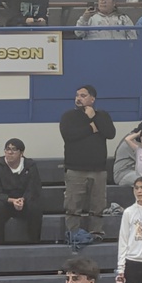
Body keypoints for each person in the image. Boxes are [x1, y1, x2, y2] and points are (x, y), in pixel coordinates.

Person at [61, 84, 116, 240]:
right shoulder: (69, 116)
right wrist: (91, 129)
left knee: (97, 206)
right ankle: (72, 234)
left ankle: (96, 233)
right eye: (77, 95)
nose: (79, 98)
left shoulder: (102, 116)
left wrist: (94, 118)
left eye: (83, 95)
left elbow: (110, 133)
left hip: (98, 169)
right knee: (73, 206)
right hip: (75, 169)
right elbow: (69, 135)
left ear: (92, 98)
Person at [0, 137, 43, 243]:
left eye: (13, 150)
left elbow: (34, 187)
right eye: (7, 149)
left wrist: (23, 199)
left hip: (24, 201)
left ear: (21, 153)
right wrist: (11, 200)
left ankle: (34, 243)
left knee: (35, 207)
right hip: (6, 201)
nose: (9, 152)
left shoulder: (30, 165)